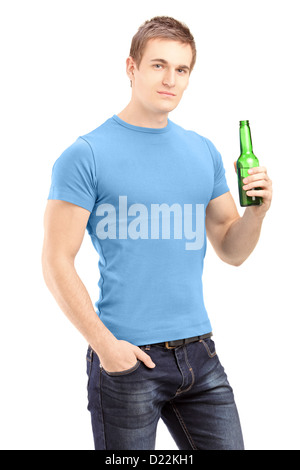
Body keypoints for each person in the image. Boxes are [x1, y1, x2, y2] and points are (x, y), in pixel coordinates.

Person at [42, 16, 272, 450]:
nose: (170, 80)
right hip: (128, 359)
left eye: (182, 70)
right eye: (158, 66)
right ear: (131, 67)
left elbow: (230, 247)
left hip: (200, 358)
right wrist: (107, 349)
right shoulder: (86, 154)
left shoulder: (203, 150)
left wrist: (257, 214)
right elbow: (55, 261)